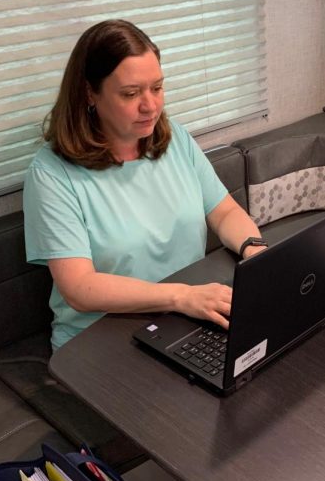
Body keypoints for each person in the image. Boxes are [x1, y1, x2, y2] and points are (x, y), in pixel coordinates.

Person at [23, 19, 268, 351]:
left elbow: (223, 212)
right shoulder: (52, 173)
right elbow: (79, 288)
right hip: (99, 338)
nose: (150, 106)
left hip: (183, 316)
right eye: (130, 93)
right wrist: (181, 296)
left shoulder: (175, 138)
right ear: (89, 93)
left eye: (157, 87)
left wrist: (256, 252)